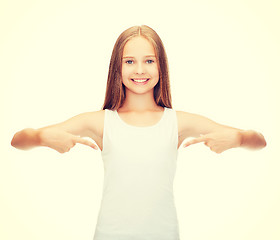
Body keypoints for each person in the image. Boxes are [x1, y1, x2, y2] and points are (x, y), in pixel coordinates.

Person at [11, 25, 266, 240]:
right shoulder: (102, 122)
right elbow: (17, 140)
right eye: (130, 61)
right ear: (117, 67)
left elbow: (260, 141)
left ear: (160, 66)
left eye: (149, 61)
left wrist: (239, 139)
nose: (140, 70)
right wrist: (42, 137)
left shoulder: (177, 122)